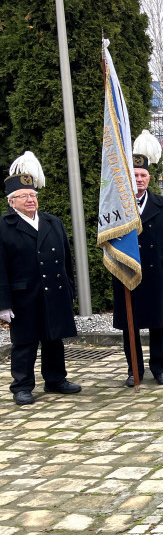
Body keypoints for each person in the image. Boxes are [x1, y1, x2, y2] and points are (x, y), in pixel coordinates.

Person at [0, 153, 81, 405]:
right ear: (12, 201)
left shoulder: (52, 222)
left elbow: (66, 261)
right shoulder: (4, 226)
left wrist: (70, 290)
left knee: (53, 338)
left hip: (54, 290)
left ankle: (55, 379)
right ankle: (22, 385)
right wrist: (3, 304)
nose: (30, 199)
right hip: (24, 295)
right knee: (24, 342)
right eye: (24, 196)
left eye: (33, 195)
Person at [113, 131, 163, 386]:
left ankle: (159, 368)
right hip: (127, 271)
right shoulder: (117, 207)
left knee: (157, 323)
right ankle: (134, 370)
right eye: (135, 176)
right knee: (130, 325)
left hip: (155, 272)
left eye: (143, 175)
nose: (139, 180)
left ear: (149, 178)